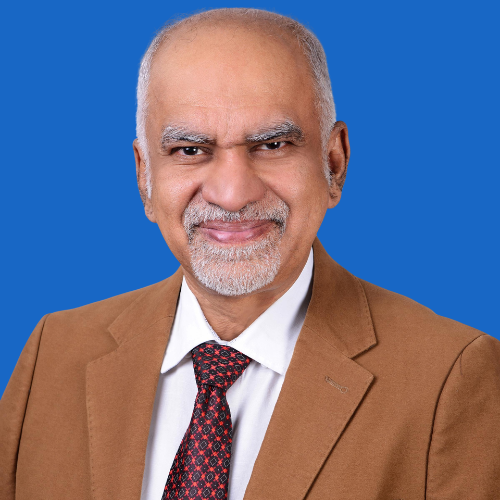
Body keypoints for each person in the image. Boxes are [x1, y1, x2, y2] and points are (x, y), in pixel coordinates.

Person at [1, 7, 499, 500]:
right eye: (190, 150)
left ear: (334, 164)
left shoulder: (451, 378)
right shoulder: (53, 352)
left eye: (273, 145)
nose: (232, 194)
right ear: (144, 177)